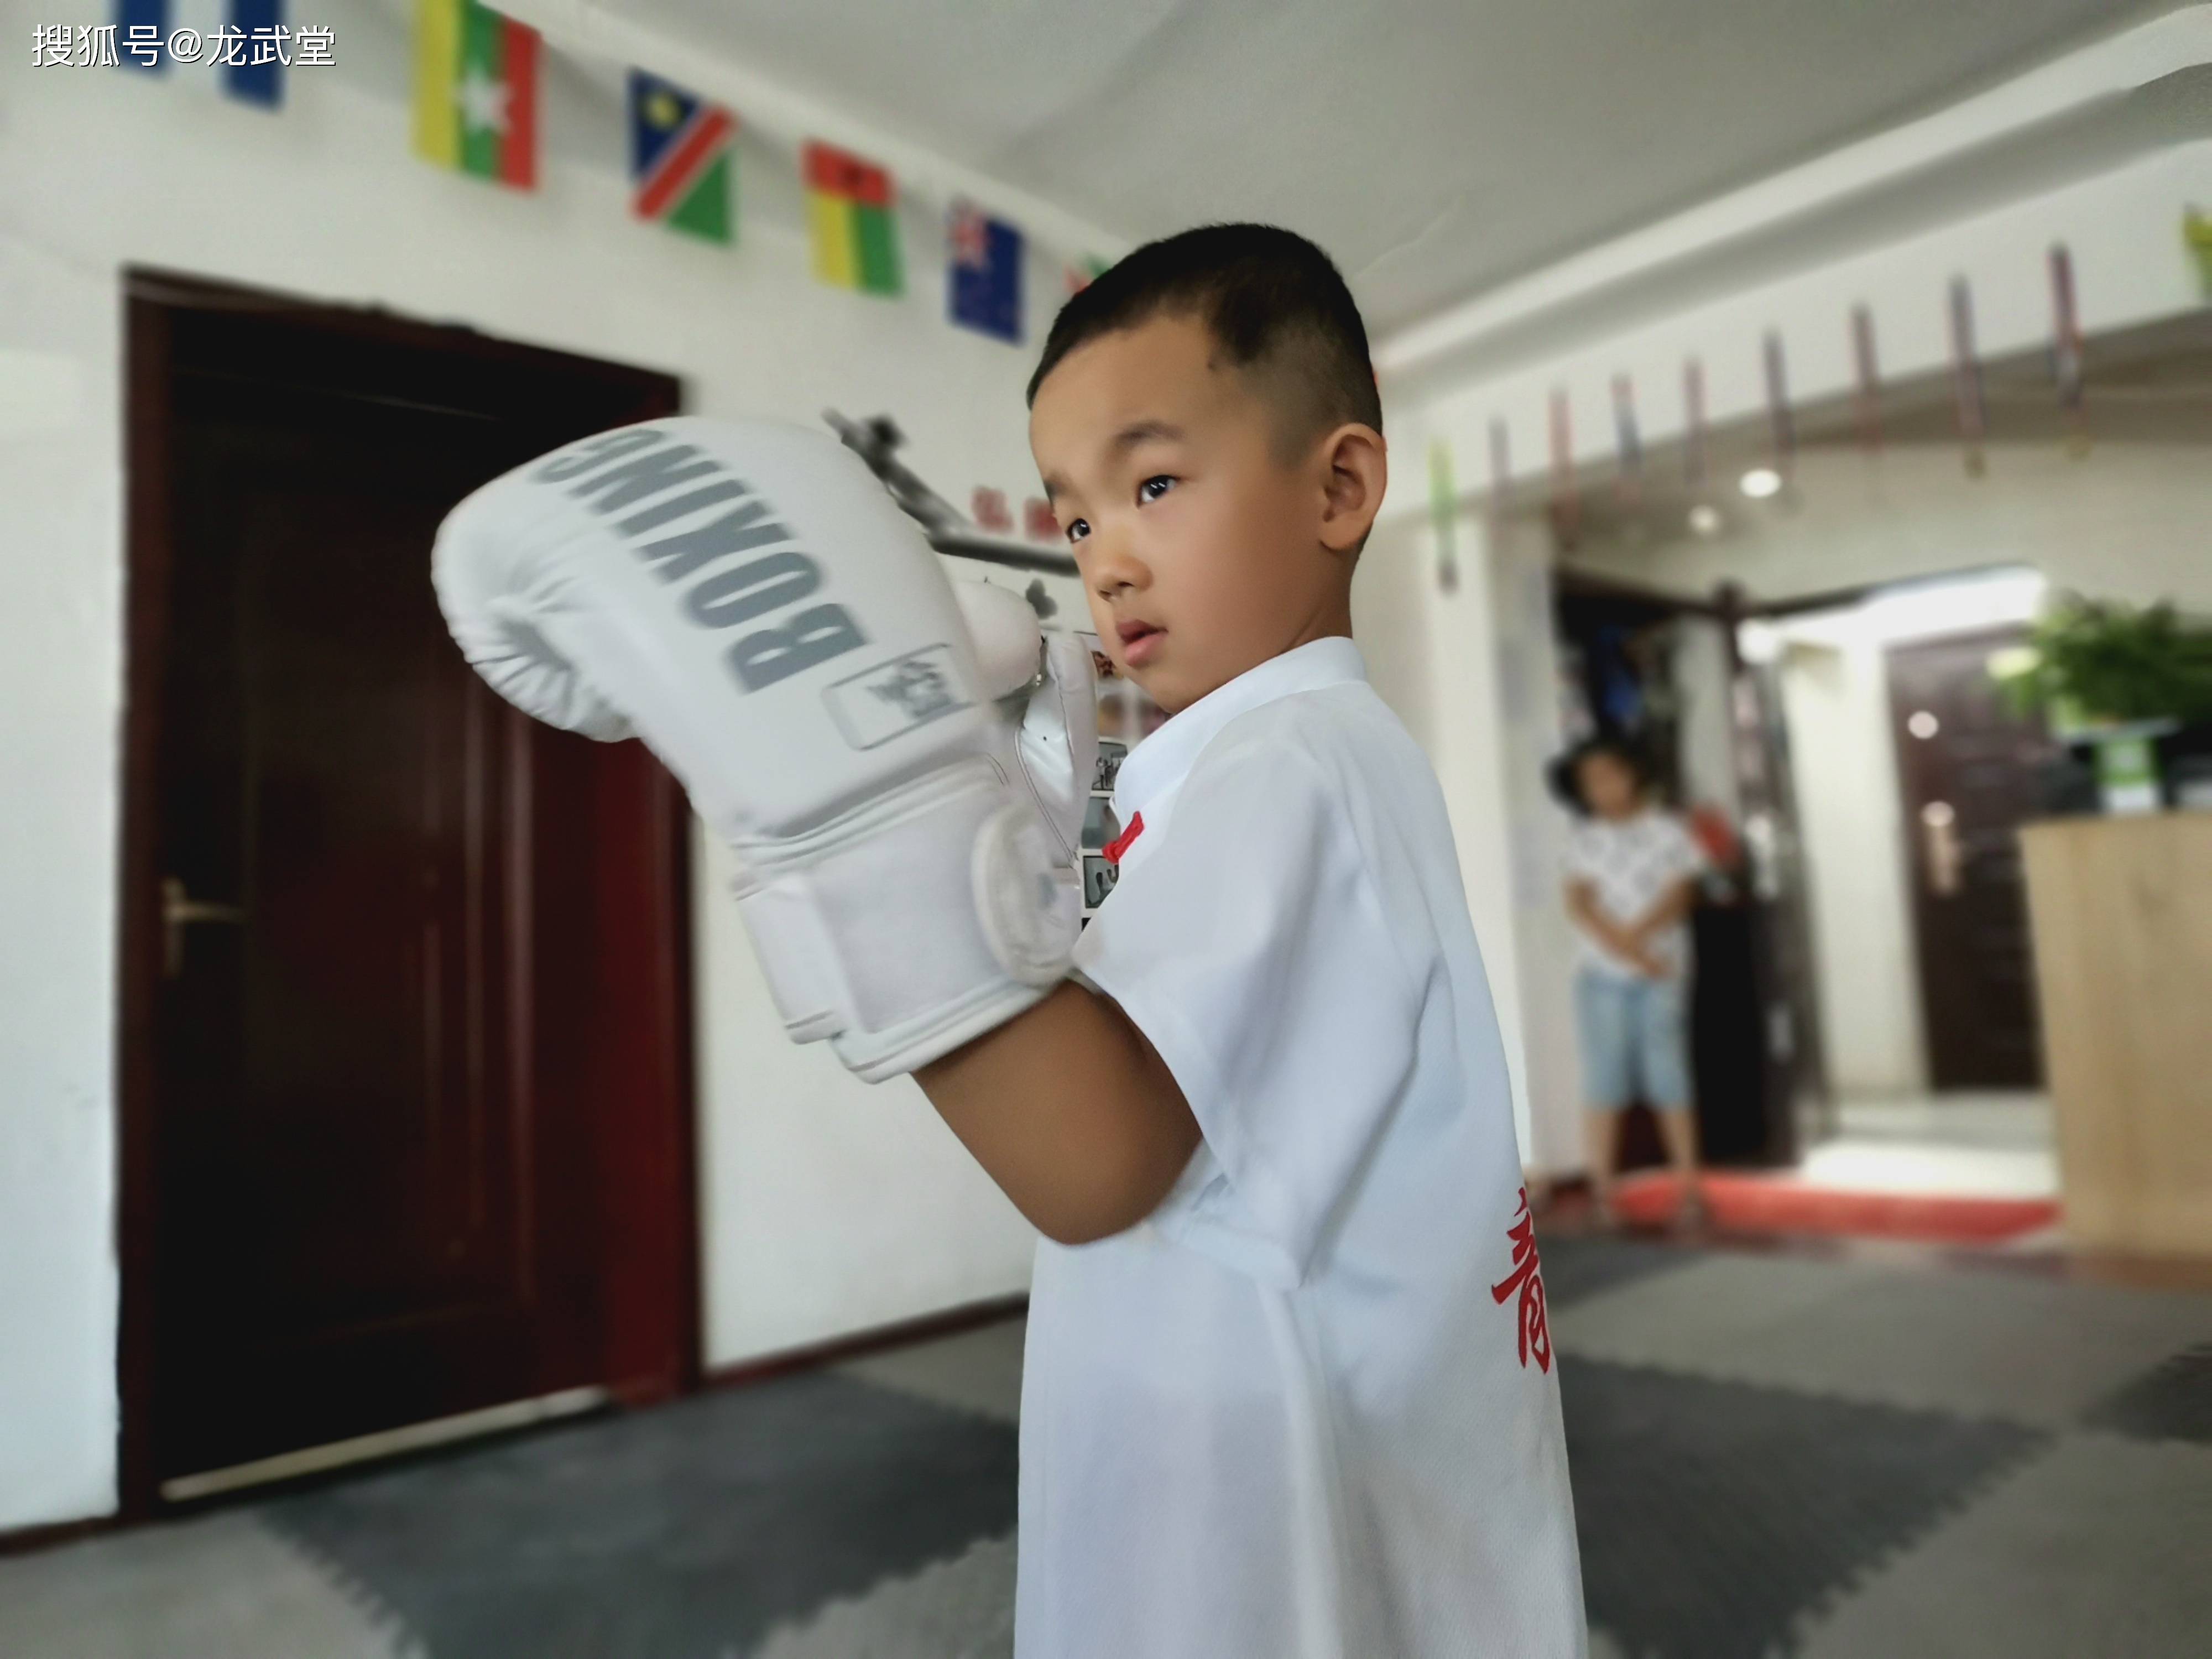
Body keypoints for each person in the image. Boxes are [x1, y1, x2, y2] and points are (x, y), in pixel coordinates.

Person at [433, 223, 1585, 1658]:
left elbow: (1089, 1159)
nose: (1110, 559)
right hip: (1301, 1451)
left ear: (1339, 484)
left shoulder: (1286, 761)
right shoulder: (1262, 758)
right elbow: (1148, 1024)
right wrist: (1011, 772)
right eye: (1079, 516)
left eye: (1157, 483)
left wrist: (860, 803)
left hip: (1265, 1528)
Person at [1557, 735, 1706, 1228]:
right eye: (1589, 781)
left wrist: (1638, 943)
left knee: (1669, 1075)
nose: (1599, 788)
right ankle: (1603, 1190)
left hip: (1661, 971)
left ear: (1631, 773)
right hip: (1601, 975)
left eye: (1607, 775)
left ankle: (1688, 1189)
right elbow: (1579, 901)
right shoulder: (1583, 838)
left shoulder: (1668, 830)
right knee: (1604, 1078)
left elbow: (1680, 896)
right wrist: (1624, 947)